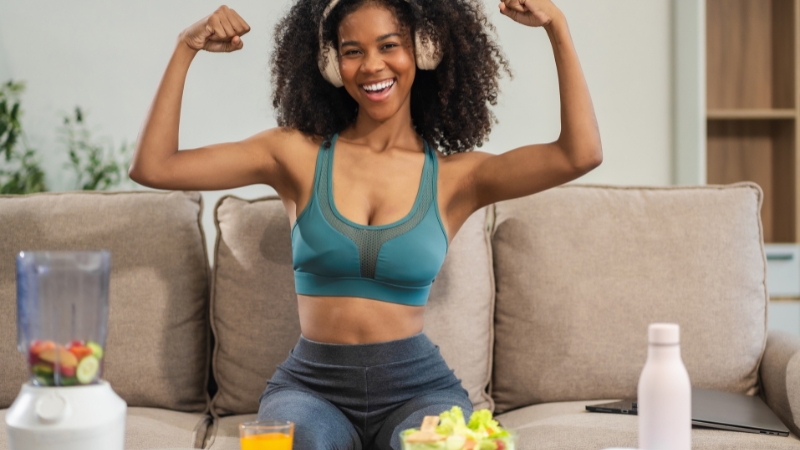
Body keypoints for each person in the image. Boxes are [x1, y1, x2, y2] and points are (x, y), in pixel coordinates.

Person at [129, 0, 601, 448]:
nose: (372, 66)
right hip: (312, 388)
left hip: (418, 388)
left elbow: (580, 154)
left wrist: (556, 26)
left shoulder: (459, 178)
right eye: (353, 51)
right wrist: (184, 47)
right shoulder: (294, 155)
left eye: (389, 45)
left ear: (424, 49)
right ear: (333, 65)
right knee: (301, 442)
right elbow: (154, 166)